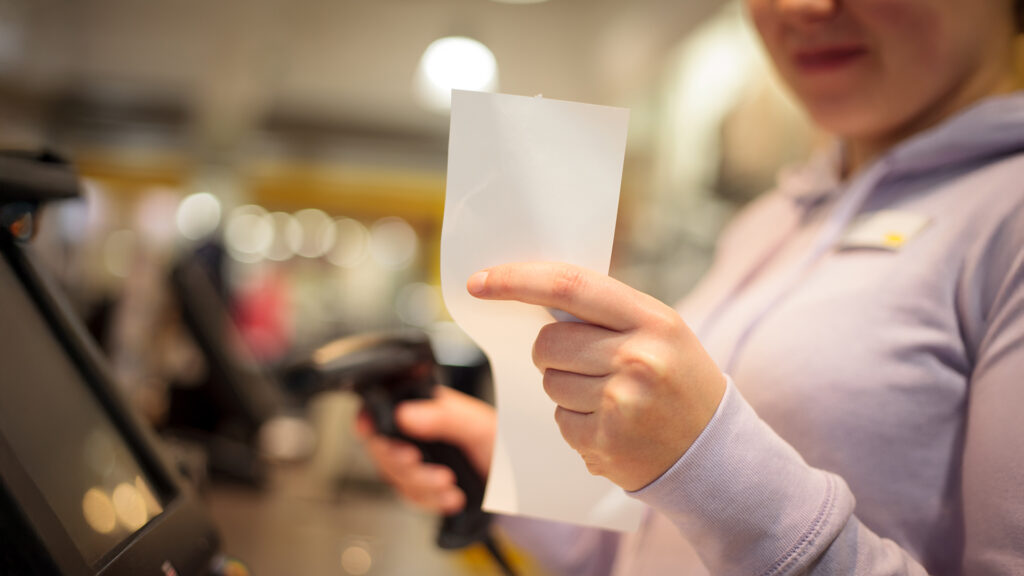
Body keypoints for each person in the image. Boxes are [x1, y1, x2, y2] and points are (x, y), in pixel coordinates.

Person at [356, 0, 1024, 573]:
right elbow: (656, 550)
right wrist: (510, 472)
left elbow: (714, 489)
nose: (802, 7)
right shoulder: (770, 222)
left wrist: (708, 464)